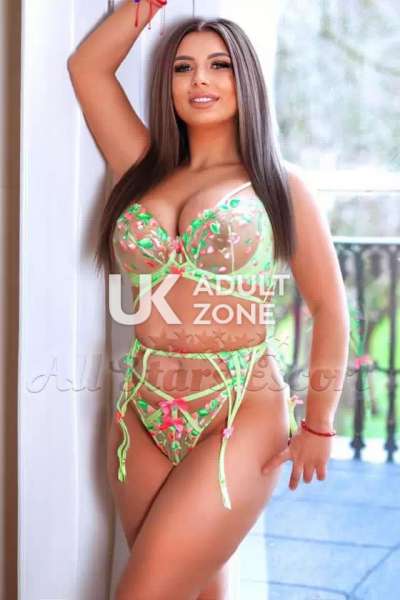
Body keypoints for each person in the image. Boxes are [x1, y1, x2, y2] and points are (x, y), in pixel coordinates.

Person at [67, 1, 350, 598]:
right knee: (198, 589)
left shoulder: (278, 184)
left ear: (245, 79)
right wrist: (148, 5)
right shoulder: (140, 165)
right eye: (183, 67)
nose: (200, 79)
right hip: (142, 409)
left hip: (240, 407)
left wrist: (319, 425)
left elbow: (329, 307)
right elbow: (87, 68)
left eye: (219, 65)